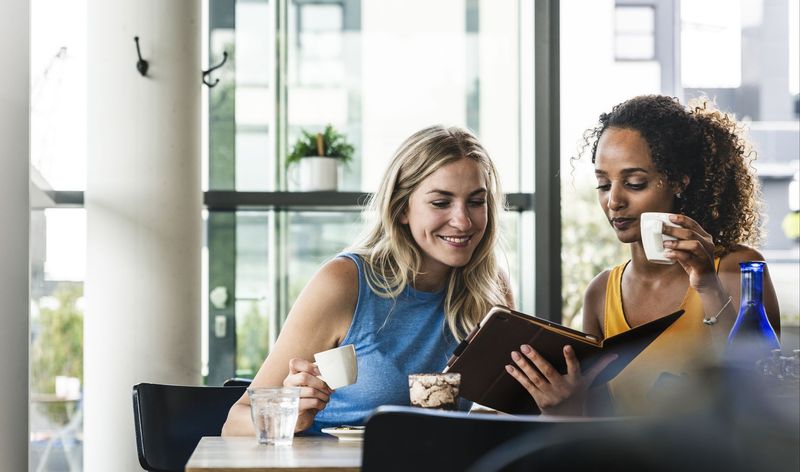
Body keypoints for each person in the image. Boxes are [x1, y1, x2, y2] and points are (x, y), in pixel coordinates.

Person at [222, 124, 514, 435]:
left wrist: (550, 402)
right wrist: (291, 415)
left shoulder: (489, 290)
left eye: (476, 201)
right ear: (402, 208)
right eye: (441, 202)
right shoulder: (344, 282)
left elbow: (504, 414)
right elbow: (235, 422)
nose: (463, 220)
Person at [505, 95, 781, 416]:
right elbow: (595, 427)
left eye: (635, 183)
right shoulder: (601, 293)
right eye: (603, 184)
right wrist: (564, 408)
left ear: (679, 181)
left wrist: (706, 285)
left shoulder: (738, 269)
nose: (614, 201)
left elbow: (762, 395)